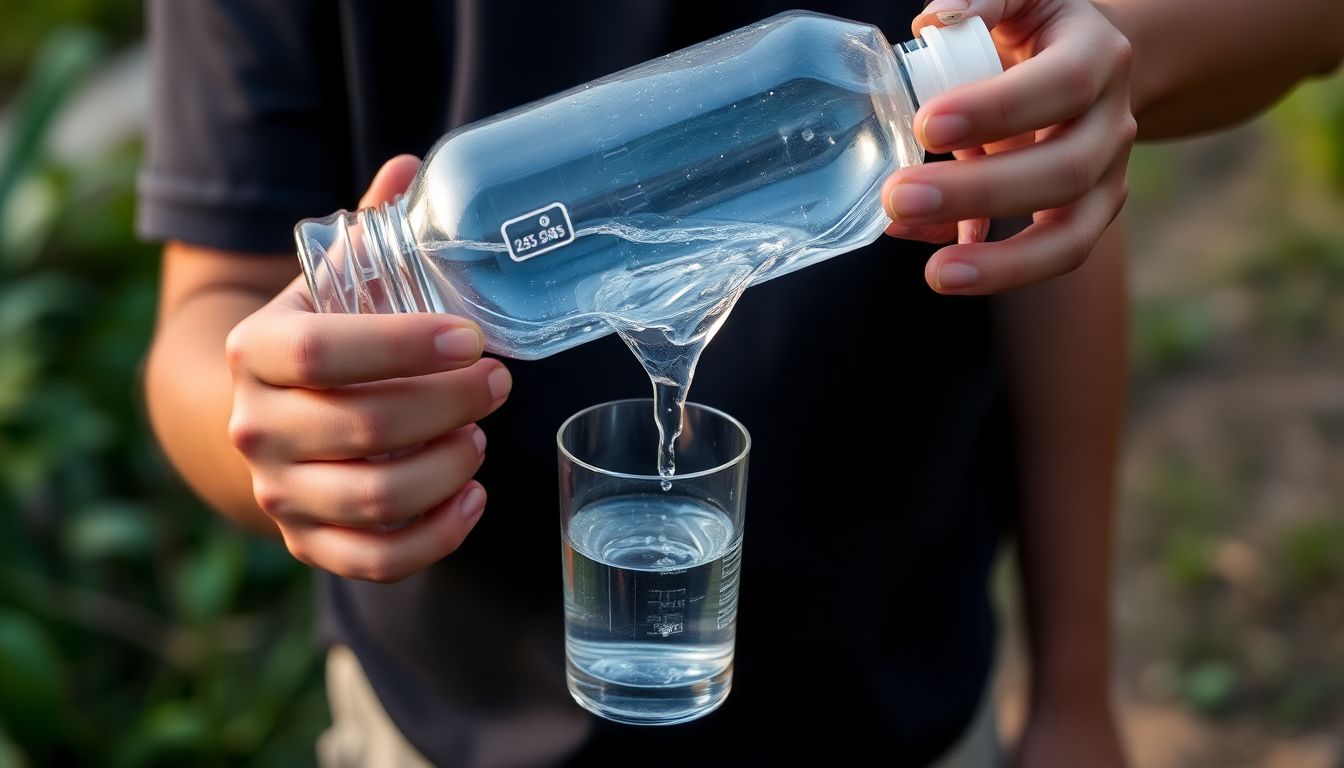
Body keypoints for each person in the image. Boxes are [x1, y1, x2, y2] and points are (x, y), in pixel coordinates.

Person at [137, 2, 1341, 767]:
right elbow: (206, 316)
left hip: (894, 708)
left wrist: (1074, 689)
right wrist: (290, 434)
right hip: (446, 725)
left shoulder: (852, 80)